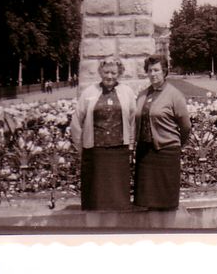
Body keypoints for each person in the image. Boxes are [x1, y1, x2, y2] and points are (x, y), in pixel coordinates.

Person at [70, 57, 137, 211]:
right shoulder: (89, 92)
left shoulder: (127, 92)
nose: (109, 76)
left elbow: (133, 121)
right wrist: (81, 146)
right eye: (106, 72)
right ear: (100, 72)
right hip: (95, 151)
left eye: (113, 73)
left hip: (119, 151)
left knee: (117, 198)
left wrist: (131, 146)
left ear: (119, 73)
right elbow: (76, 120)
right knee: (96, 198)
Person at [134, 54, 191, 211]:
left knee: (166, 202)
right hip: (145, 153)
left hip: (166, 152)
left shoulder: (174, 95)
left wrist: (175, 144)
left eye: (156, 70)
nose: (153, 74)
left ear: (164, 71)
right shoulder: (142, 94)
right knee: (147, 201)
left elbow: (185, 126)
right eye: (150, 70)